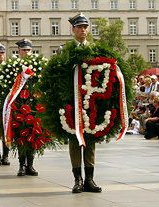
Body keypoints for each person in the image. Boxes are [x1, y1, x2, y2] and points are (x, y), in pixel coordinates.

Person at [67, 13, 102, 193]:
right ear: (73, 29)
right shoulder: (66, 51)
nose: (83, 30)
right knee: (74, 140)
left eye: (85, 27)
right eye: (79, 27)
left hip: (91, 103)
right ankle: (77, 179)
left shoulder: (95, 50)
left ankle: (90, 179)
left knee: (90, 139)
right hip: (72, 103)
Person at [14, 38, 38, 176]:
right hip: (19, 105)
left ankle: (31, 165)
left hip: (33, 106)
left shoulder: (36, 65)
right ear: (19, 51)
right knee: (20, 136)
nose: (26, 52)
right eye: (24, 50)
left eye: (29, 50)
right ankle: (21, 165)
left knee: (33, 134)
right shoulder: (15, 67)